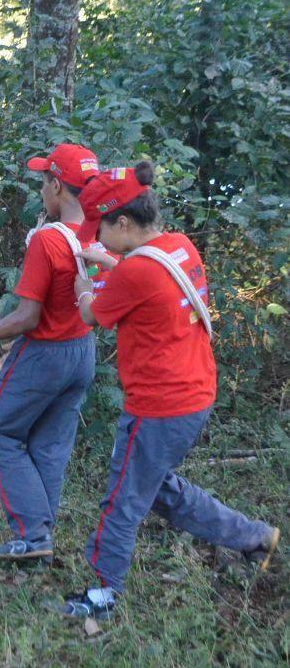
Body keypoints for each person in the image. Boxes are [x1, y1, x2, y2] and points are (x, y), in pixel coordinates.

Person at [58, 162, 279, 619]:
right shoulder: (179, 246)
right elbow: (146, 276)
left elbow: (91, 315)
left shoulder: (131, 274)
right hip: (195, 394)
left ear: (122, 222)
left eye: (102, 228)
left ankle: (103, 593)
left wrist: (84, 286)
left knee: (122, 496)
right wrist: (112, 263)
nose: (97, 238)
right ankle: (254, 537)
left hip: (158, 405)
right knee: (156, 489)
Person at [0, 143, 101, 560]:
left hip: (45, 354)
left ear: (56, 185)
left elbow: (26, 317)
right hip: (82, 351)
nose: (40, 190)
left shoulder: (48, 240)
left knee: (1, 435)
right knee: (51, 446)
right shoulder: (100, 233)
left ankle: (33, 535)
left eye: (42, 181)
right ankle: (41, 534)